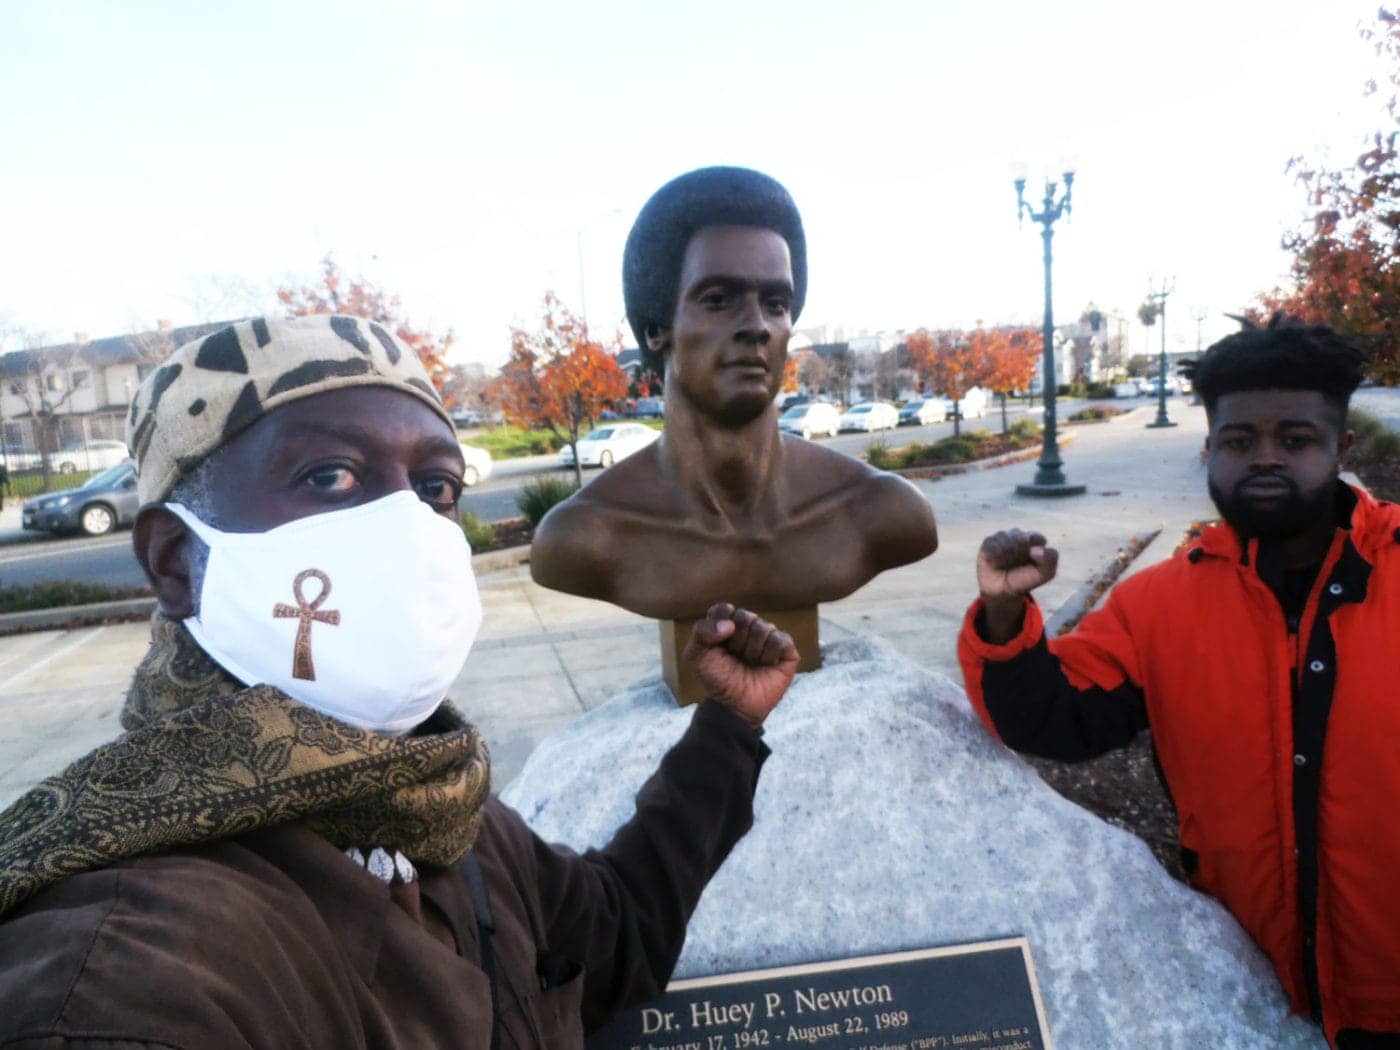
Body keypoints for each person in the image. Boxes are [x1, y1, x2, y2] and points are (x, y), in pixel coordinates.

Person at [0, 314, 801, 1048]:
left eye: (436, 488)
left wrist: (728, 725)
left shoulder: (448, 809)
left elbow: (616, 938)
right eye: (331, 476)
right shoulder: (127, 977)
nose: (410, 524)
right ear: (177, 563)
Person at [957, 316, 1400, 1049]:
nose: (1265, 459)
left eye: (1295, 440)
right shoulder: (1158, 605)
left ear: (1341, 449)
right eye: (1238, 441)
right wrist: (1005, 616)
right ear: (1208, 449)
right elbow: (1055, 720)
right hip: (1253, 995)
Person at [531, 166, 937, 621]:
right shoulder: (587, 537)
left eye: (776, 304)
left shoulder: (879, 512)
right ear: (656, 329)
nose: (757, 327)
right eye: (719, 298)